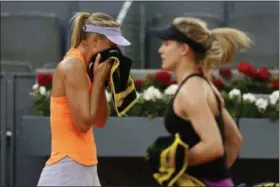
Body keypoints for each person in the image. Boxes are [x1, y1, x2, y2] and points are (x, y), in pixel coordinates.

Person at [150, 17, 253, 186]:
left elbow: (213, 146)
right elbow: (235, 139)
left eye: (167, 44)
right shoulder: (203, 85)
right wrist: (215, 176)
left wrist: (173, 162)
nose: (161, 50)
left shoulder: (190, 92)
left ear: (183, 49)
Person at [37, 12, 131, 186]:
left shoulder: (85, 68)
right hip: (68, 168)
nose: (114, 52)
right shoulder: (72, 65)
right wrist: (97, 82)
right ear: (95, 40)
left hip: (84, 165)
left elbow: (100, 120)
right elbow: (83, 123)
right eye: (111, 45)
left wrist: (98, 80)